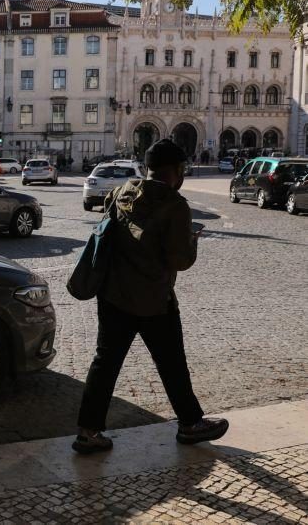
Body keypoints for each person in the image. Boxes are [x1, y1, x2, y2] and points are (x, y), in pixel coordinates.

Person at [73, 139, 228, 454]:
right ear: (176, 171)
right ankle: (190, 424)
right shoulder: (175, 205)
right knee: (171, 363)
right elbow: (179, 261)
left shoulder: (121, 192)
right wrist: (192, 240)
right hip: (154, 300)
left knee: (105, 363)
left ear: (148, 168)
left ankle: (88, 432)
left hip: (113, 295)